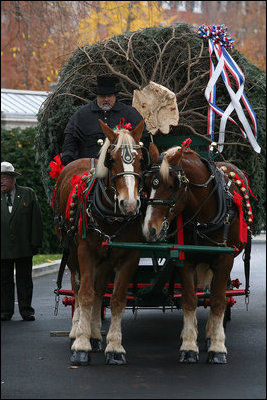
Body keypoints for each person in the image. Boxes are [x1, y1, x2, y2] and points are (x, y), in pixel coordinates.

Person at [61, 75, 150, 165]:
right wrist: (69, 158)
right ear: (97, 96)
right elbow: (70, 139)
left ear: (114, 96)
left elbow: (143, 138)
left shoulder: (130, 113)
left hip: (123, 168)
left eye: (109, 96)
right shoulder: (82, 115)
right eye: (102, 96)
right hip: (90, 169)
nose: (106, 99)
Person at [1, 162, 43, 321]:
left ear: (13, 179)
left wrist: (35, 243)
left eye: (4, 178)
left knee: (25, 280)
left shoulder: (28, 194)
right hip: (3, 247)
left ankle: (26, 310)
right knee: (4, 281)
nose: (1, 181)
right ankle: (5, 311)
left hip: (24, 246)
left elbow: (36, 221)